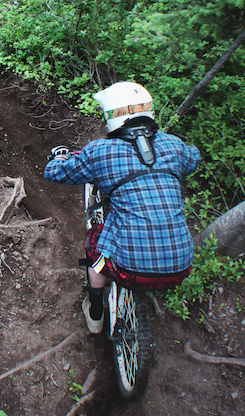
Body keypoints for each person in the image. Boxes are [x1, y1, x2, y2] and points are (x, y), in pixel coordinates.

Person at [44, 81, 201, 333]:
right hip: (181, 267)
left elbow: (55, 173)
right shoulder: (174, 145)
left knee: (94, 244)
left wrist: (59, 156)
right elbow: (194, 157)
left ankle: (95, 313)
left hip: (131, 270)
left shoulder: (101, 152)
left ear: (112, 115)